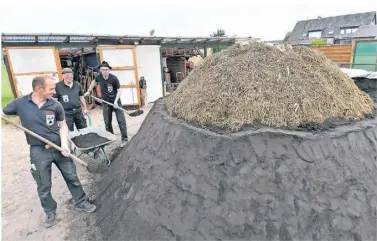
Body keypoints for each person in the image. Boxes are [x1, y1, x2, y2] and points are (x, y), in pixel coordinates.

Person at [2, 75, 96, 228]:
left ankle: (81, 202)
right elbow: (4, 112)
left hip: (59, 147)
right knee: (43, 184)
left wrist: (65, 144)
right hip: (38, 151)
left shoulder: (55, 104)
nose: (54, 91)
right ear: (39, 88)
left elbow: (63, 125)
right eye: (51, 89)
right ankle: (50, 211)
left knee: (72, 176)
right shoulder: (20, 104)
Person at [84, 61, 128, 146]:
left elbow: (119, 90)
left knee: (121, 121)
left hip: (116, 101)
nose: (105, 71)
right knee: (107, 122)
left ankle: (125, 139)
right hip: (106, 102)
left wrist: (115, 101)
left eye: (106, 70)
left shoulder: (114, 78)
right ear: (100, 70)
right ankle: (110, 137)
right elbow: (94, 82)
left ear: (109, 70)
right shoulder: (99, 77)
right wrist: (89, 91)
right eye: (103, 70)